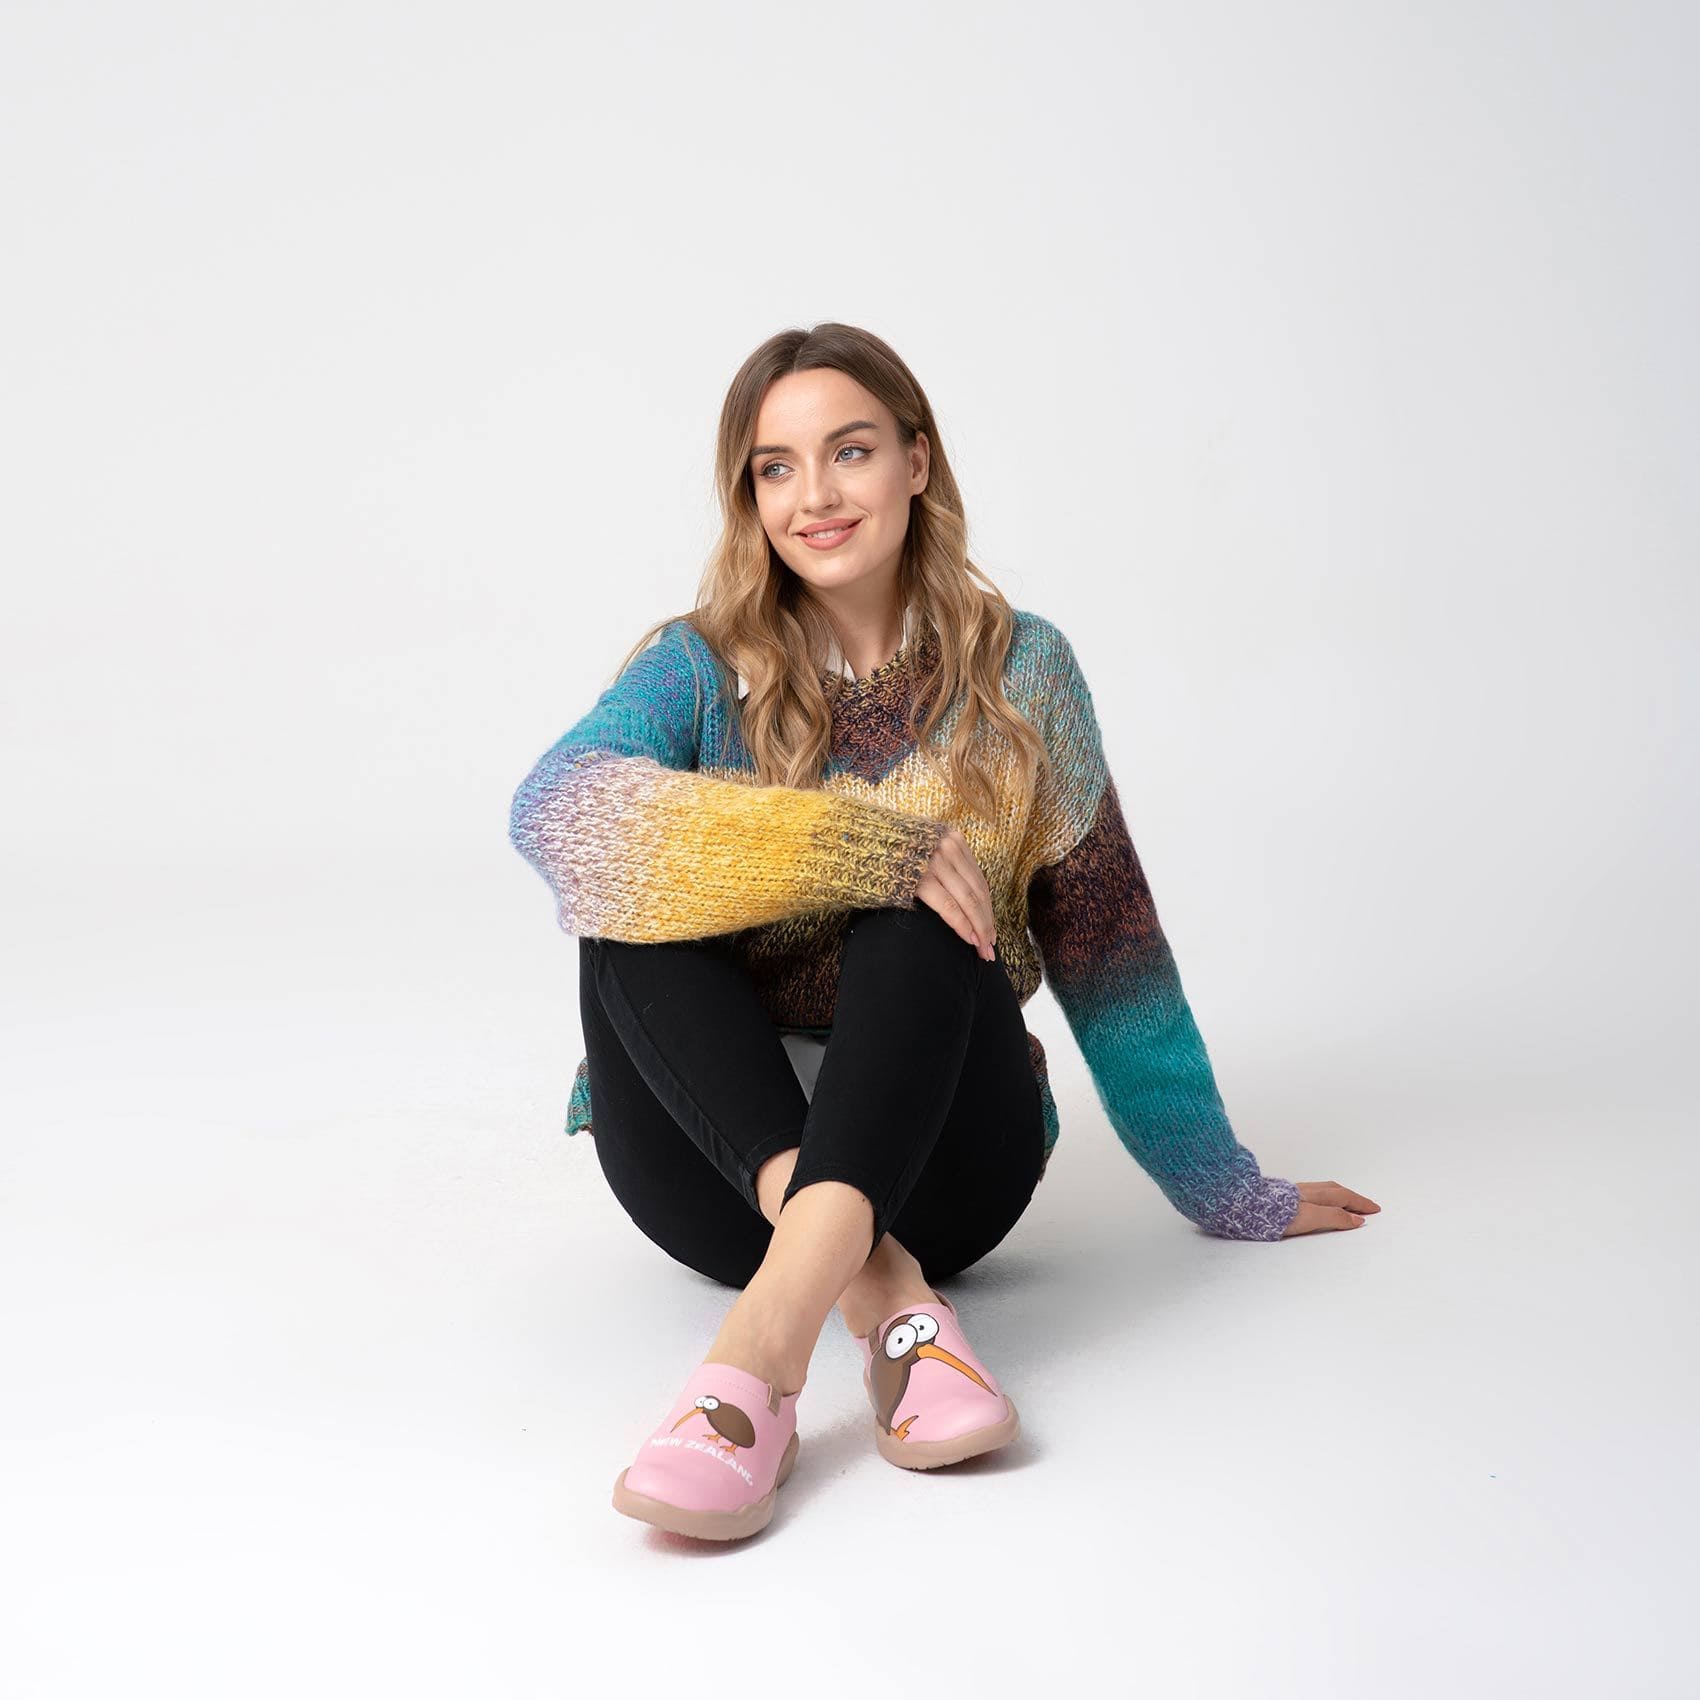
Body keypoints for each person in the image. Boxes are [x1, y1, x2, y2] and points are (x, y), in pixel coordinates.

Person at [508, 322, 1380, 1541]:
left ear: (915, 461)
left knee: (924, 908)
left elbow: (1110, 955)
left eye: (849, 450)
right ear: (748, 495)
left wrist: (1221, 1183)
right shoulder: (696, 668)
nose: (814, 496)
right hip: (713, 1173)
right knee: (628, 895)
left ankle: (753, 1360)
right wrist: (859, 842)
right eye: (774, 466)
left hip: (947, 1168)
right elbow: (552, 809)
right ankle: (886, 1303)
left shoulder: (1026, 674)